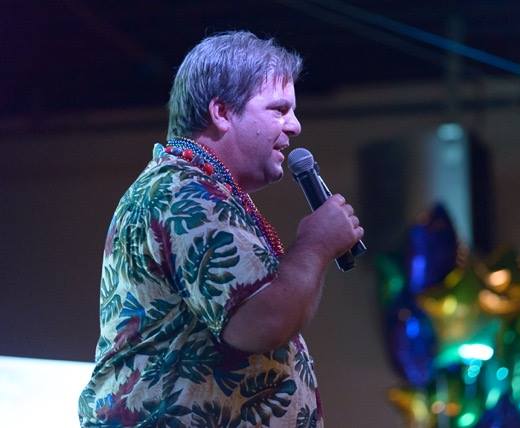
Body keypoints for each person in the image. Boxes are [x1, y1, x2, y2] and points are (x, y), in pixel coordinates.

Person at [78, 31, 363, 427]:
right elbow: (260, 324)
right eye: (279, 109)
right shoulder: (183, 193)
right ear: (222, 112)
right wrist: (315, 245)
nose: (295, 125)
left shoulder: (200, 189)